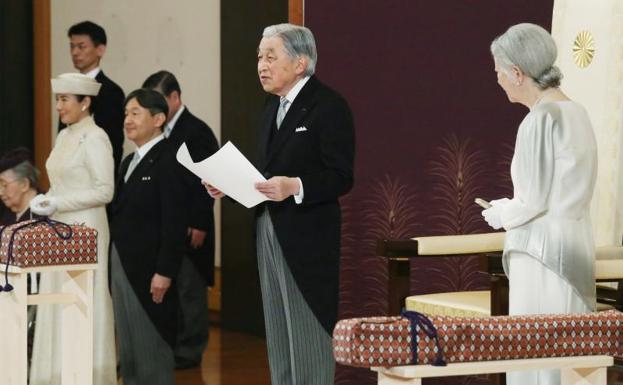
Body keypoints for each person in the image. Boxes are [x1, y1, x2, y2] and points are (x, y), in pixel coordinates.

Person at [206, 23, 355, 385]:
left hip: (307, 236)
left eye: (271, 56)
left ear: (300, 62)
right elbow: (266, 171)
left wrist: (296, 186)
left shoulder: (329, 106)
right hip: (267, 226)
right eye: (259, 56)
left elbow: (341, 176)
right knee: (276, 326)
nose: (261, 64)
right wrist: (229, 183)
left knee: (306, 327)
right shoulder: (270, 107)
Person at [482, 23, 597, 385]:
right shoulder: (577, 111)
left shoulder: (539, 120)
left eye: (499, 70)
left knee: (537, 356)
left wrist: (501, 213)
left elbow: (532, 200)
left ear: (518, 73)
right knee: (572, 355)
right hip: (575, 245)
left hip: (542, 254)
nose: (497, 78)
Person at [29, 73, 116, 385]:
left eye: (65, 99)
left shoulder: (96, 137)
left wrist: (58, 202)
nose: (58, 106)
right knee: (57, 298)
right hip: (59, 227)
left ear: (85, 103)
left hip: (86, 228)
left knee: (80, 299)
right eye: (57, 99)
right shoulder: (65, 136)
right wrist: (46, 199)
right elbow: (60, 185)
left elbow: (105, 191)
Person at [109, 88, 186, 385]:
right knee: (128, 349)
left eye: (135, 113)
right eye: (126, 113)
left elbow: (174, 222)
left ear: (158, 118)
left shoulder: (170, 159)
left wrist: (165, 271)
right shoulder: (128, 162)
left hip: (151, 270)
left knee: (151, 348)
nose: (127, 120)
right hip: (123, 265)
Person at [142, 70, 219, 369]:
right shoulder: (162, 131)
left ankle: (190, 349)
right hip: (169, 225)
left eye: (160, 99)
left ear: (175, 97)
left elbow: (210, 177)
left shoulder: (195, 130)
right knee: (173, 286)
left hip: (192, 224)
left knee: (190, 287)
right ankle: (173, 344)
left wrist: (200, 222)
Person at [62, 20, 125, 174]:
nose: (75, 52)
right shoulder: (67, 88)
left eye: (81, 46)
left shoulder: (111, 91)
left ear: (100, 50)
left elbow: (113, 143)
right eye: (72, 46)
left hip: (95, 176)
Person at [0, 147, 40, 225]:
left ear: (24, 184)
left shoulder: (44, 214)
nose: (0, 193)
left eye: (4, 185)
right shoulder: (6, 212)